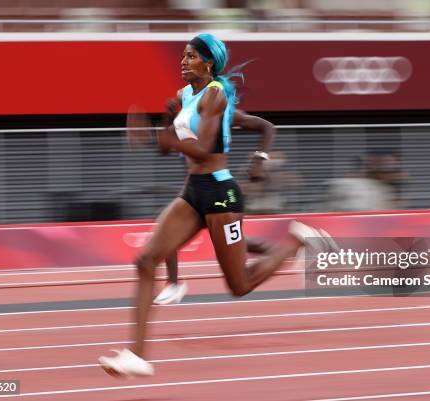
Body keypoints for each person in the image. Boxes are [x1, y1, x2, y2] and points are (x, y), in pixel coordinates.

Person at [98, 33, 334, 378]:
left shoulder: (215, 95)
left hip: (220, 193)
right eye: (182, 55)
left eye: (191, 56)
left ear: (208, 62)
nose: (183, 61)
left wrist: (162, 139)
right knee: (146, 259)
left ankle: (296, 240)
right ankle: (136, 354)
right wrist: (163, 123)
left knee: (239, 285)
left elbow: (205, 150)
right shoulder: (184, 96)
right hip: (193, 191)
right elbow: (174, 144)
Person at [154, 109, 275, 305]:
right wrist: (166, 118)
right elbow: (164, 147)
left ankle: (281, 251)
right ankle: (173, 284)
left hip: (221, 192)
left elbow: (267, 127)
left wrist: (259, 159)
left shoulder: (224, 113)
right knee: (167, 234)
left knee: (238, 273)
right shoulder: (182, 118)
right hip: (194, 191)